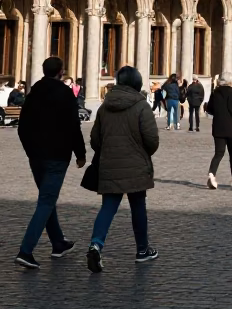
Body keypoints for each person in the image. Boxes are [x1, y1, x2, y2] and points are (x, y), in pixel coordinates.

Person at [85, 65, 159, 271]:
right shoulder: (142, 106)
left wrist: (107, 151)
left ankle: (96, 244)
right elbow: (152, 139)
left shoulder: (104, 106)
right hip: (136, 164)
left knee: (108, 207)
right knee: (138, 207)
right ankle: (142, 250)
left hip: (109, 165)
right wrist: (143, 154)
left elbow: (94, 139)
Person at [15, 56, 86, 269]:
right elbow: (74, 126)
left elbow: (22, 126)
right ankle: (25, 251)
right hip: (57, 156)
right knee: (46, 201)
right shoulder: (65, 93)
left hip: (36, 157)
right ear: (60, 72)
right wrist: (80, 154)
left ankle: (58, 243)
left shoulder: (34, 92)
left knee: (48, 197)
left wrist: (30, 150)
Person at [204, 72, 232, 188]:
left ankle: (212, 174)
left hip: (217, 127)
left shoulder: (215, 93)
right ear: (231, 82)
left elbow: (210, 109)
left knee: (218, 153)